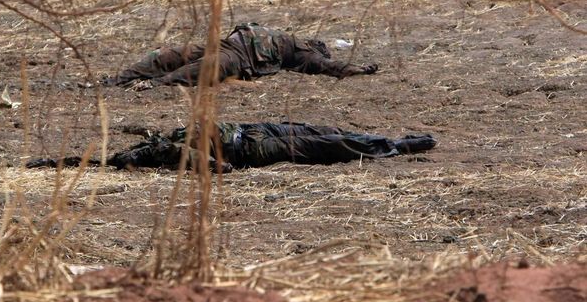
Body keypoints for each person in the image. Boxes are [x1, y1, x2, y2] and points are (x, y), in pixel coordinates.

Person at [26, 122, 436, 172]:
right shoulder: (158, 152)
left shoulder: (161, 141)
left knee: (323, 131)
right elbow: (201, 161)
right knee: (326, 146)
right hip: (251, 150)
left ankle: (383, 141)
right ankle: (396, 147)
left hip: (253, 130)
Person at [107, 23, 378, 90]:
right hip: (225, 43)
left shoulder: (301, 53)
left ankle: (153, 83)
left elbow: (331, 66)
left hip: (241, 58)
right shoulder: (288, 37)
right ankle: (117, 80)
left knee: (205, 68)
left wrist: (358, 69)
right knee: (170, 54)